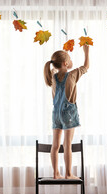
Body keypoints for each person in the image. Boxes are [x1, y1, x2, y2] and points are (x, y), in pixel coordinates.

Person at [44, 44, 89, 179]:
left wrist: (63, 56)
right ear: (65, 63)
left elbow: (55, 67)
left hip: (56, 114)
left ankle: (55, 173)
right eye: (69, 59)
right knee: (67, 144)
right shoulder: (72, 75)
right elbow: (86, 67)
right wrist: (86, 52)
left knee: (55, 145)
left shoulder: (53, 77)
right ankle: (68, 174)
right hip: (68, 113)